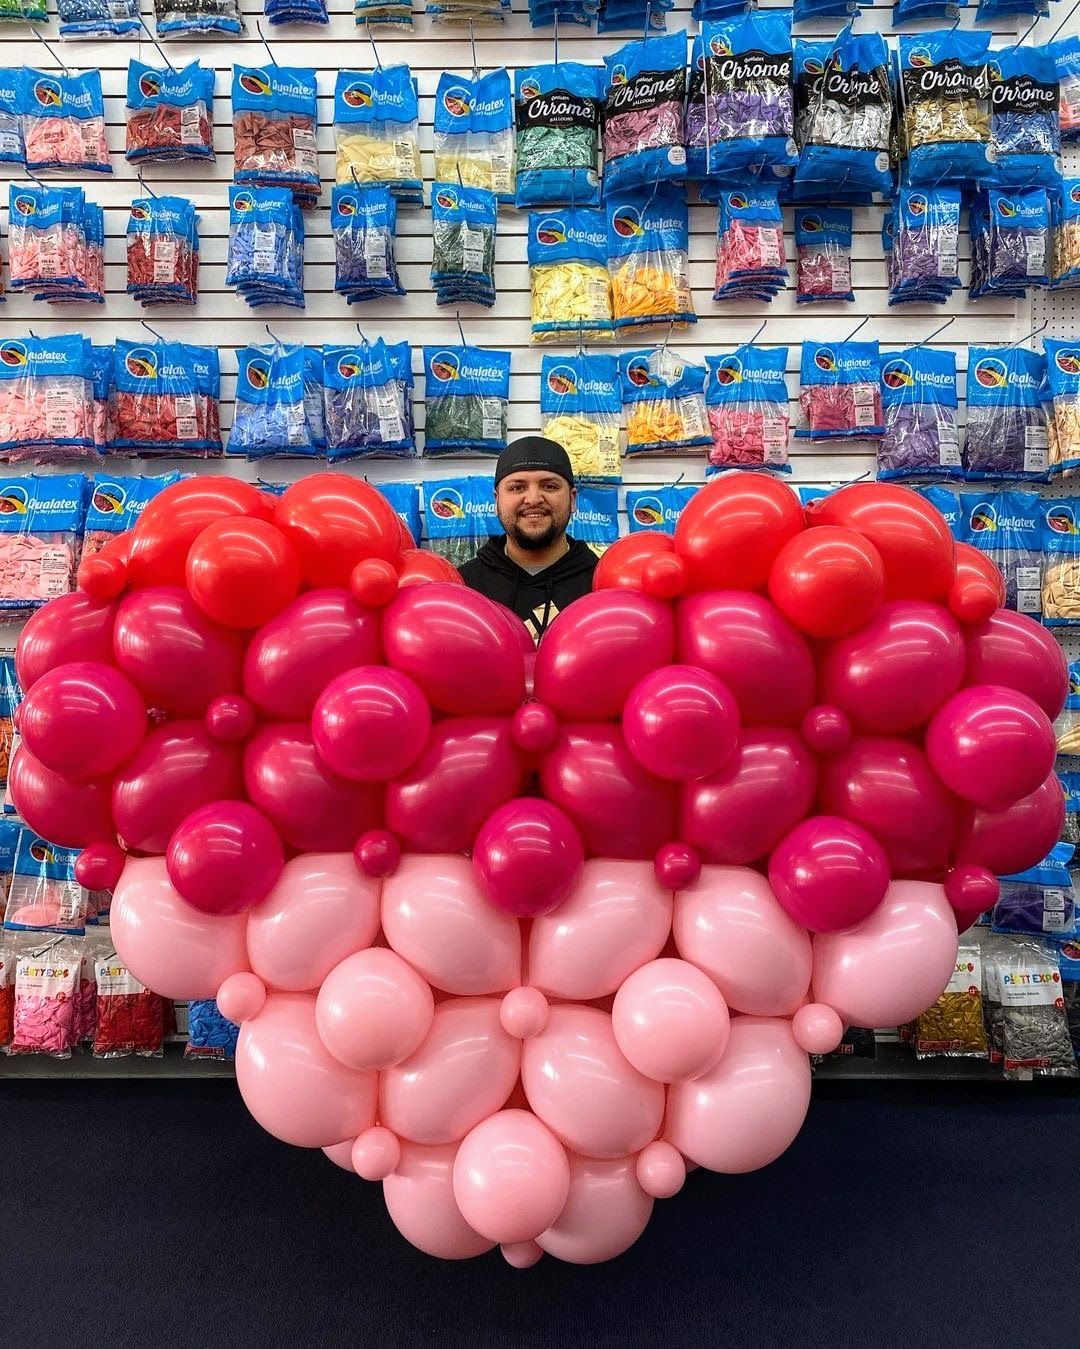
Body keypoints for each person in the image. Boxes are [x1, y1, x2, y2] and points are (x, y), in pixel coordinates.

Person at [458, 436, 598, 640]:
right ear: (497, 500)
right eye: (517, 487)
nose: (533, 499)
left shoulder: (601, 585)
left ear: (573, 499)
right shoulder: (464, 588)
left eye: (549, 486)